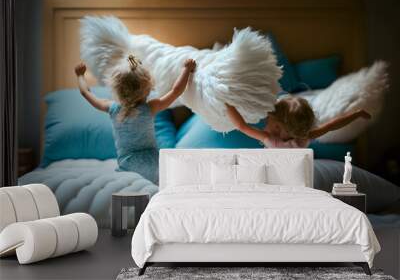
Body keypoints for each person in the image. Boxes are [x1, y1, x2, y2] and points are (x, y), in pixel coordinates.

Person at [75, 55, 196, 183]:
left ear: (117, 89)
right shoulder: (151, 107)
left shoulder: (111, 108)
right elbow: (176, 91)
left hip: (127, 167)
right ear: (148, 88)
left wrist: (80, 75)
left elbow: (86, 93)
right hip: (153, 165)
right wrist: (186, 69)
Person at [226, 96, 371, 148]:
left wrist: (226, 102)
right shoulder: (303, 139)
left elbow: (241, 126)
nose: (265, 123)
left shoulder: (271, 141)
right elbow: (332, 126)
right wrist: (356, 114)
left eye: (269, 121)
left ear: (279, 127)